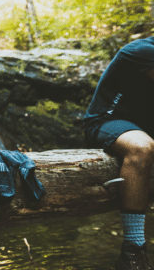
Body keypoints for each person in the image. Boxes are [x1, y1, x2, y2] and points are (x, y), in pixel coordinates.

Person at [84, 36, 154, 269]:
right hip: (108, 120)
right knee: (141, 148)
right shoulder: (142, 51)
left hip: (145, 125)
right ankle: (132, 253)